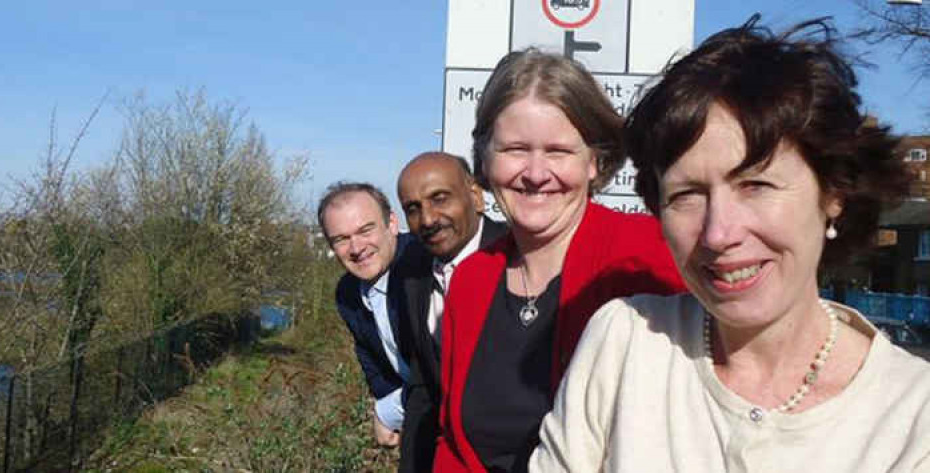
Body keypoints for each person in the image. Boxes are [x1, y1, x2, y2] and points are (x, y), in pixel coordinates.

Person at [530, 16, 930, 472]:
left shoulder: (912, 419)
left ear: (833, 192)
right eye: (687, 195)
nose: (719, 233)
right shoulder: (625, 343)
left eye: (755, 185)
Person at [433, 49, 686, 472]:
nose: (535, 172)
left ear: (594, 161)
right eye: (514, 148)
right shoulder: (471, 279)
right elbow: (454, 444)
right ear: (486, 158)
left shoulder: (650, 257)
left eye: (558, 151)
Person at [395, 152, 508, 472]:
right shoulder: (411, 271)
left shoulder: (521, 257)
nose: (428, 219)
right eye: (413, 209)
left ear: (475, 197)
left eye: (440, 198)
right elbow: (424, 387)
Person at [319, 181, 413, 448]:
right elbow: (371, 361)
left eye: (365, 230)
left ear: (392, 224)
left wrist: (389, 412)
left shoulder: (423, 271)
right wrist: (389, 403)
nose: (356, 247)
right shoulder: (347, 293)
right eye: (341, 239)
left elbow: (442, 373)